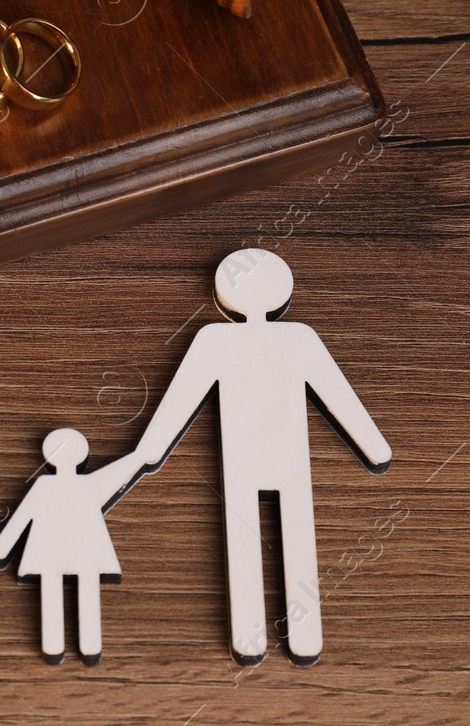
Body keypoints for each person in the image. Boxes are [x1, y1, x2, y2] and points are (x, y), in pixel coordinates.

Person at [136, 248, 391, 665]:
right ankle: (300, 636)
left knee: (243, 539)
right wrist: (375, 447)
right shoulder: (296, 338)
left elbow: (180, 402)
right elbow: (338, 396)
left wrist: (150, 450)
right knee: (297, 537)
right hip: (284, 454)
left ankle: (251, 638)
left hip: (243, 455)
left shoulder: (215, 339)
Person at [0, 429, 144, 665]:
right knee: (84, 589)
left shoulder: (48, 485)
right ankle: (87, 646)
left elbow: (19, 522)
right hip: (82, 552)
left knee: (57, 589)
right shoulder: (88, 483)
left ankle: (58, 646)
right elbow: (125, 468)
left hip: (53, 552)